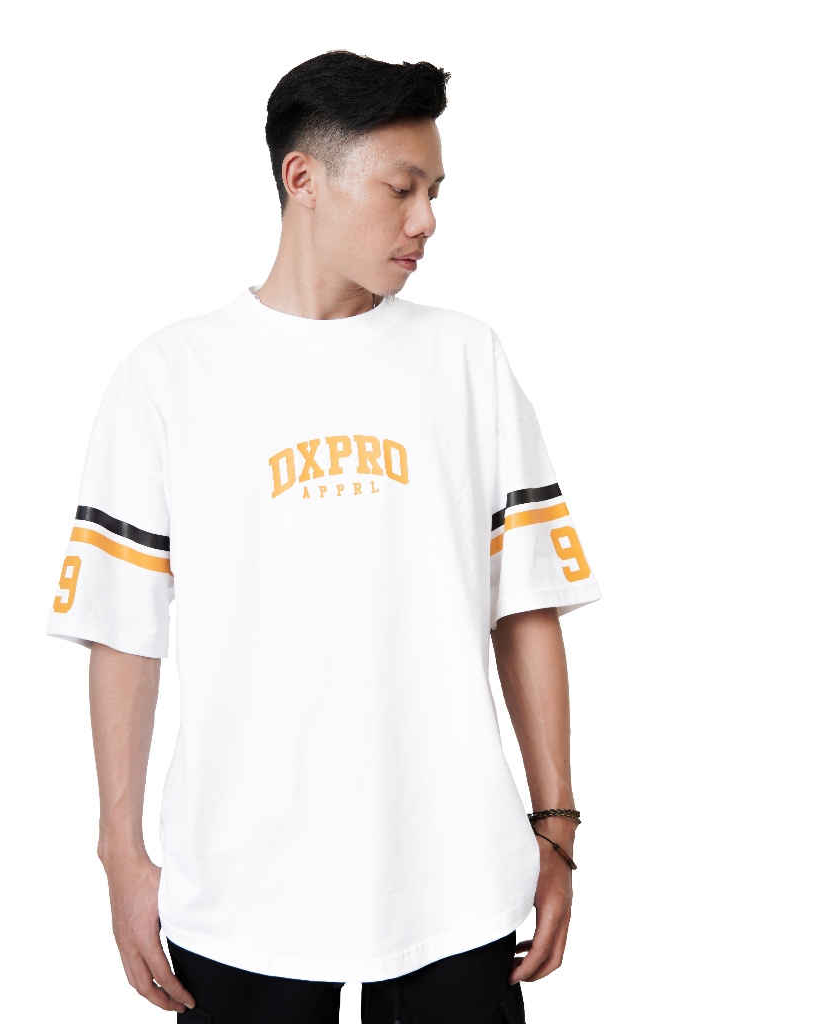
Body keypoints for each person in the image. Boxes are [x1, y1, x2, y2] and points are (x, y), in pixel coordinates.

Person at [46, 49, 602, 1024]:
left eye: (434, 193)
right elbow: (124, 632)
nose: (425, 220)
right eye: (401, 188)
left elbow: (525, 605)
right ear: (302, 177)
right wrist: (120, 853)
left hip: (456, 883)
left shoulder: (466, 359)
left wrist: (555, 830)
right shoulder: (171, 375)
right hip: (241, 890)